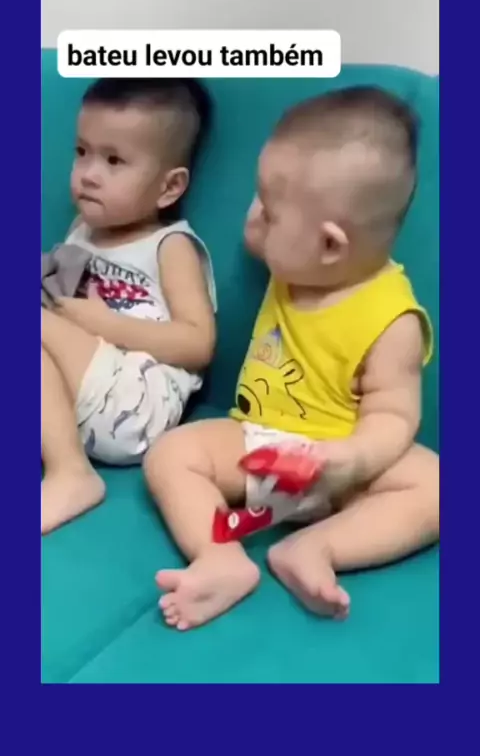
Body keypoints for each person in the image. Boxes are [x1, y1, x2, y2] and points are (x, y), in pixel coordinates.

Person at [144, 85, 439, 631]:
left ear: (329, 245)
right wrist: (277, 208)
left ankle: (316, 546)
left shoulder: (392, 319)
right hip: (256, 442)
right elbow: (262, 235)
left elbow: (395, 415)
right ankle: (220, 556)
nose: (254, 216)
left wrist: (349, 460)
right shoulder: (293, 259)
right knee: (171, 453)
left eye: (268, 208)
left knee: (440, 486)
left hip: (343, 467)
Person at [41, 78, 216, 535]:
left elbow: (198, 343)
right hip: (78, 396)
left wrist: (106, 324)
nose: (88, 173)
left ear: (169, 187)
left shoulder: (170, 246)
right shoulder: (82, 230)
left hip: (136, 404)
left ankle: (71, 475)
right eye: (82, 152)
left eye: (114, 160)